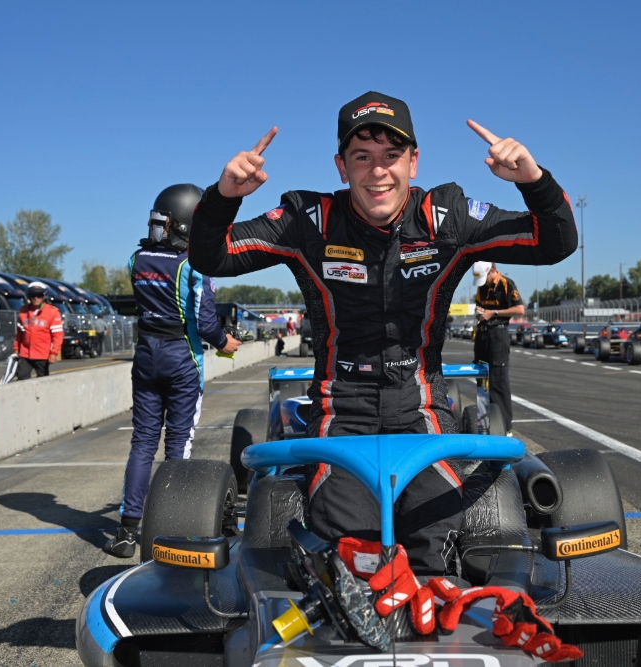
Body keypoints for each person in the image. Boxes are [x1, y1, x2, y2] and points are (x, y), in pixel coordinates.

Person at [190, 91, 576, 574]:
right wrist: (223, 197)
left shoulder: (448, 216)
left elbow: (555, 242)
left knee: (430, 541)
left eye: (392, 155)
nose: (378, 171)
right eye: (362, 157)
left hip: (422, 406)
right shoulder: (308, 221)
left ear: (413, 162)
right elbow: (211, 256)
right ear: (341, 167)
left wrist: (534, 182)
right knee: (350, 545)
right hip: (339, 407)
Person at [104, 184, 242, 559]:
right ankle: (169, 527)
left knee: (142, 443)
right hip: (182, 358)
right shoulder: (193, 264)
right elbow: (206, 322)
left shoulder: (136, 260)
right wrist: (225, 342)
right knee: (178, 446)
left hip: (146, 355)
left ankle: (127, 530)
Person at [472, 262, 525, 435]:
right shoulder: (482, 287)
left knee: (498, 382)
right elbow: (480, 306)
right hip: (482, 334)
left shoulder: (506, 283)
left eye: (485, 278)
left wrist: (493, 313)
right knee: (481, 379)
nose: (484, 283)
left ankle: (504, 428)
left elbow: (520, 309)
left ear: (492, 271)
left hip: (498, 335)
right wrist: (480, 311)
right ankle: (483, 423)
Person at [14, 282, 63, 380]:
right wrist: (16, 348)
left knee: (42, 380)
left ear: (44, 296)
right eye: (33, 295)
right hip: (25, 353)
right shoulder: (23, 311)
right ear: (29, 296)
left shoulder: (53, 312)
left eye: (39, 295)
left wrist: (54, 353)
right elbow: (19, 333)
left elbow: (58, 335)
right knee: (21, 377)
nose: (36, 298)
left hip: (42, 354)